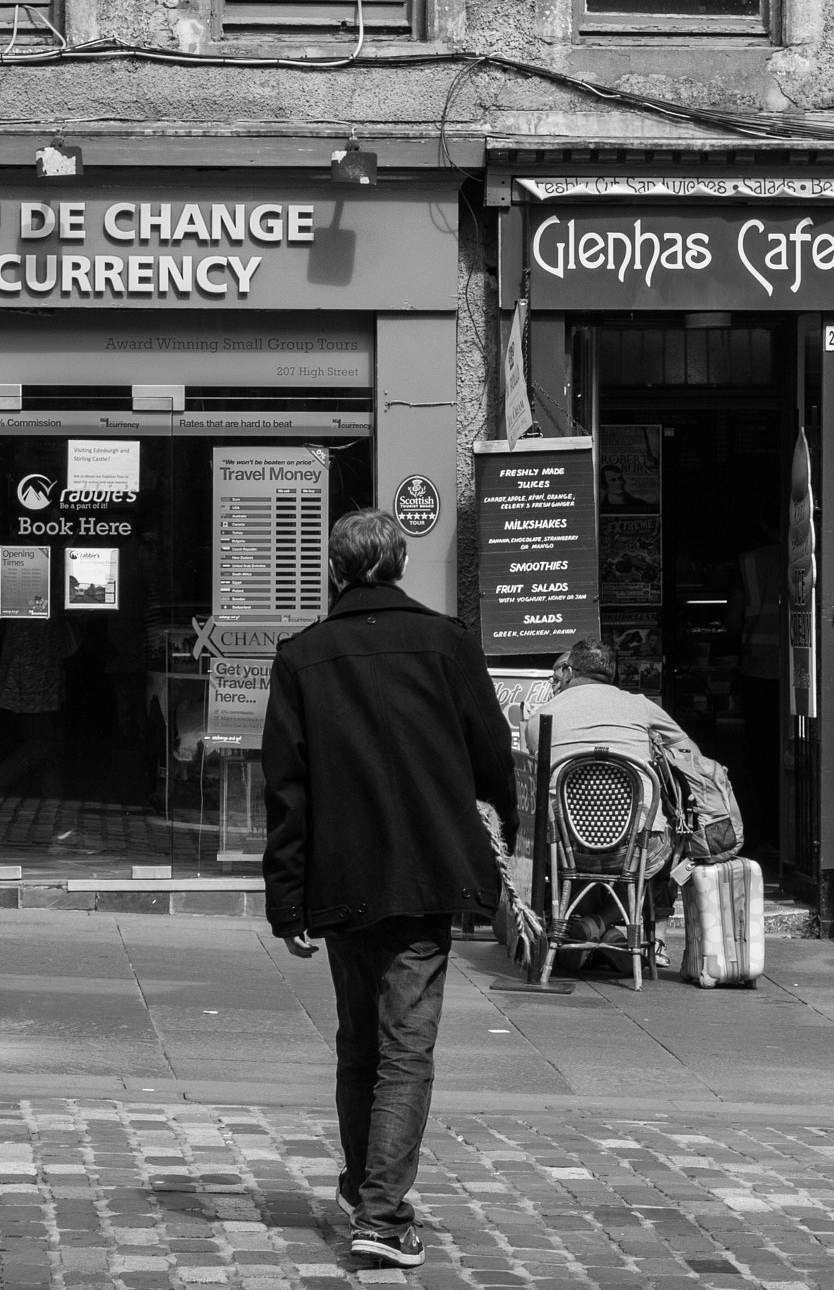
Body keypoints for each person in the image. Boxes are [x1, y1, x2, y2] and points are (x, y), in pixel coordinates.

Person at [262, 509, 515, 1269]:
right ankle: (380, 1211)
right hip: (427, 869)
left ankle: (359, 1185)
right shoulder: (446, 643)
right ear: (398, 563)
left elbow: (288, 789)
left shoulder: (303, 655)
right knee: (406, 1046)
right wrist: (502, 833)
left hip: (341, 876)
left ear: (336, 571)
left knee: (359, 1041)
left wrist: (287, 898)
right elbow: (492, 752)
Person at [523, 638, 713, 963]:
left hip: (566, 849)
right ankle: (608, 926)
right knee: (668, 844)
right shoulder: (640, 705)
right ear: (611, 674)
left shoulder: (540, 717)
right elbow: (689, 753)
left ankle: (584, 925)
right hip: (633, 849)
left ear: (567, 671)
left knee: (562, 840)